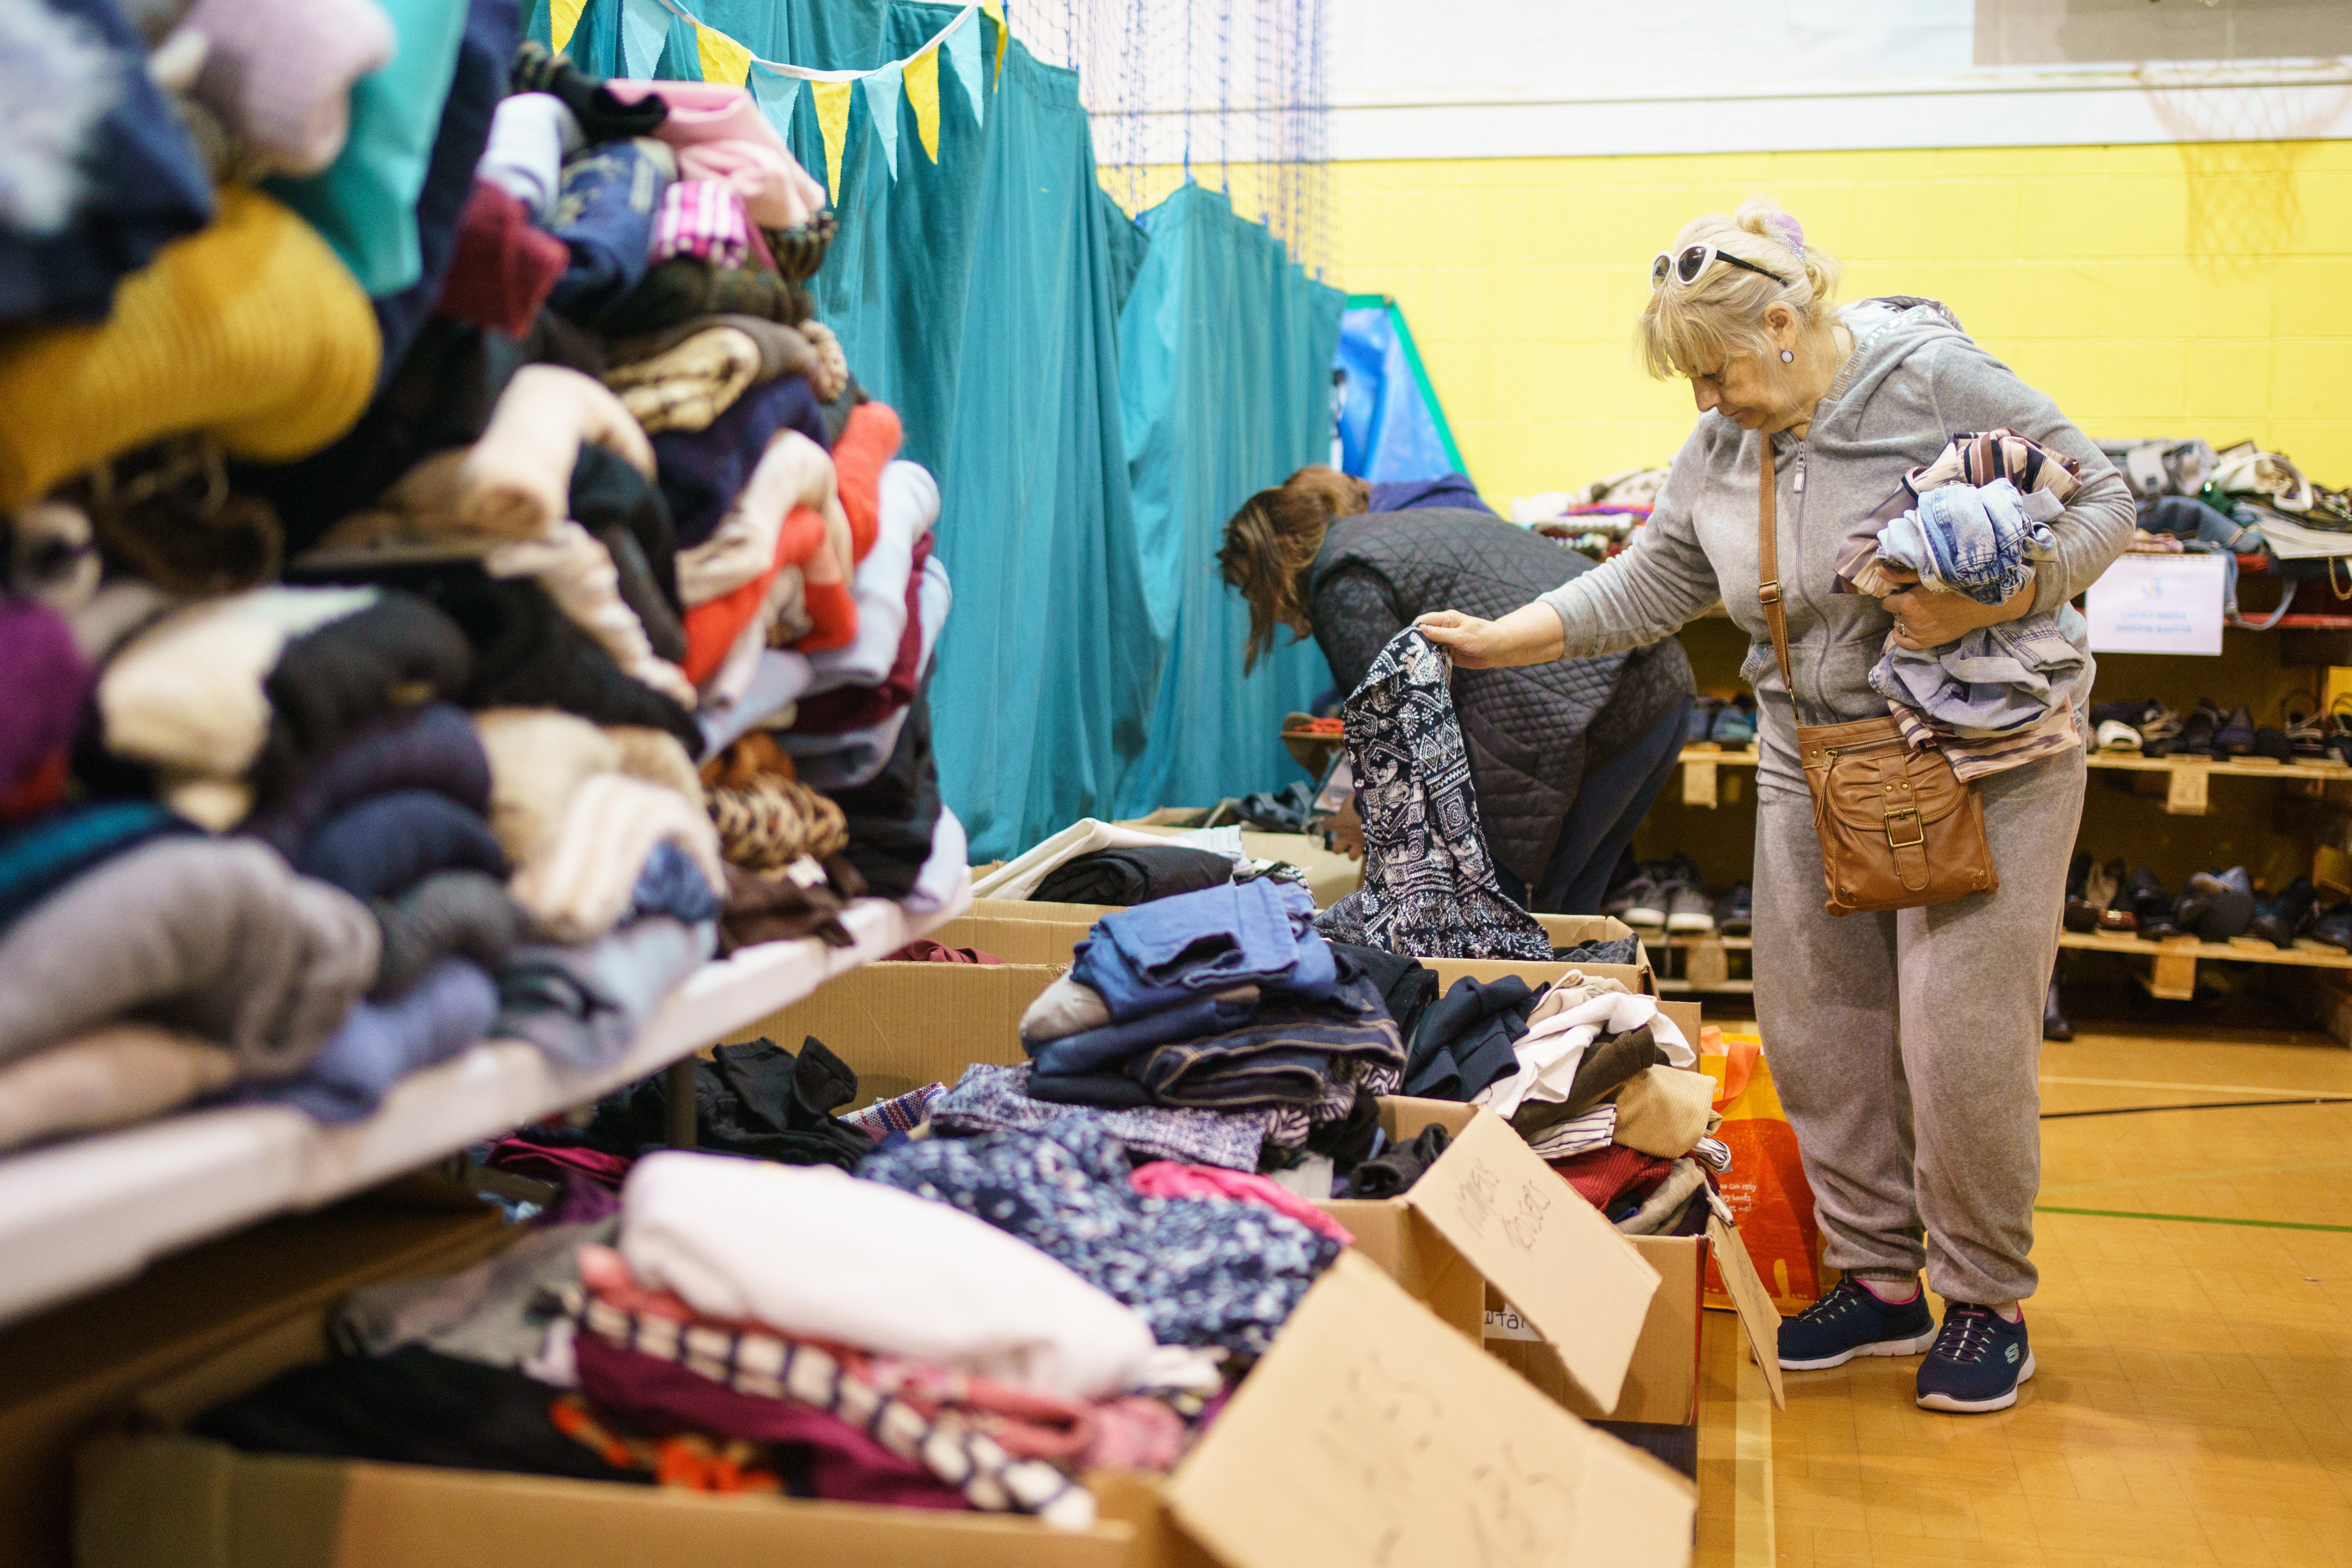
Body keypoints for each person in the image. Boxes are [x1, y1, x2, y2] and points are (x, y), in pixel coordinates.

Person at [1416, 197, 2132, 1415]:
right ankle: (1880, 1279)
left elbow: (2108, 504)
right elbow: (1654, 581)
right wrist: (1504, 639)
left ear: (1789, 322)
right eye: (1688, 380)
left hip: (1982, 752)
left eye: (1718, 369)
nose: (1704, 400)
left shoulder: (1932, 379)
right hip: (1815, 756)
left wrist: (1995, 600)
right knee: (1822, 1029)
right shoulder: (1722, 452)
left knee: (1956, 1034)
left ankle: (1984, 1298)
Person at [1219, 464, 1693, 915]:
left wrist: (1363, 809)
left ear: (1271, 569)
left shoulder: (1341, 581)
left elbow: (1404, 732)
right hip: (1659, 685)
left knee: (1523, 917)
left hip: (1603, 704)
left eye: (1248, 590)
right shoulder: (1388, 537)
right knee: (1568, 911)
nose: (1259, 608)